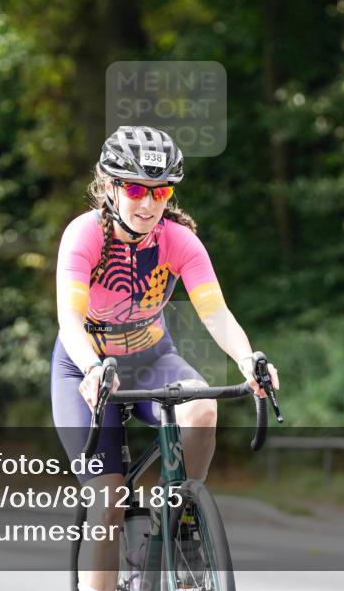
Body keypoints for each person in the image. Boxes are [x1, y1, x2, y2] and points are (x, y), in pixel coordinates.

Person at [52, 126, 280, 591]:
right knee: (107, 503)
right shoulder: (84, 235)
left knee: (202, 407)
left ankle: (180, 520)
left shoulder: (179, 240)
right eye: (136, 190)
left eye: (160, 191)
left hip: (153, 359)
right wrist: (92, 368)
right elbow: (69, 319)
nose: (148, 203)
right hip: (85, 366)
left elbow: (215, 313)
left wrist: (247, 360)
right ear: (110, 187)